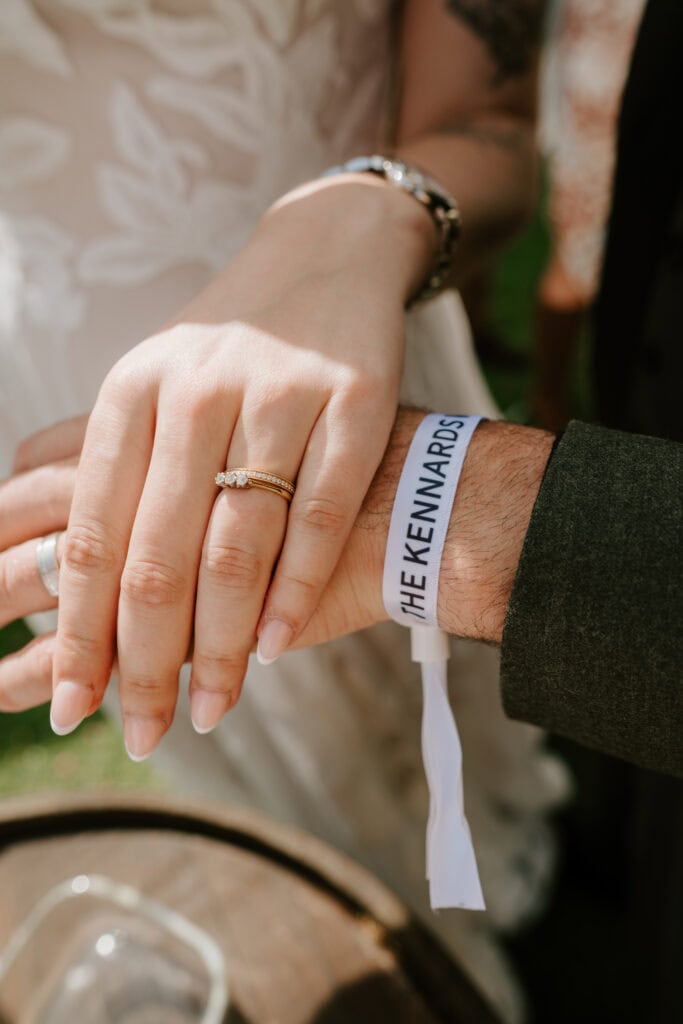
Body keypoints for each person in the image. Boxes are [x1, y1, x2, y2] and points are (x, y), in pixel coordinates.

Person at [0, 3, 564, 1022]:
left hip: (329, 385)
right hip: (55, 411)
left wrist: (364, 213)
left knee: (403, 753)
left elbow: (489, 124)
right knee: (224, 757)